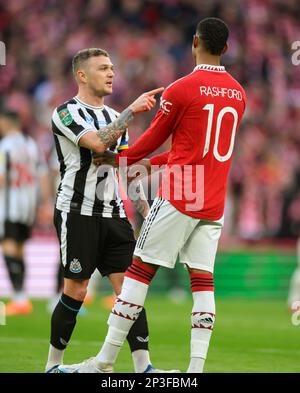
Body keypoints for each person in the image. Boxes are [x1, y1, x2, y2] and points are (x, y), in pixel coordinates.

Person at [59, 17, 246, 373]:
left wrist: (121, 159)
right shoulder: (239, 94)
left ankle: (103, 361)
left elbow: (152, 140)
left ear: (195, 42)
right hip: (214, 200)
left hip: (181, 194)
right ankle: (195, 371)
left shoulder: (182, 88)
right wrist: (137, 165)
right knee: (203, 281)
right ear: (226, 48)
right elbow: (190, 151)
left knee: (138, 272)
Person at [45, 47, 176, 374]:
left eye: (112, 67)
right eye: (103, 68)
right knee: (76, 289)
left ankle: (144, 368)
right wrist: (132, 109)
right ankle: (53, 366)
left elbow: (127, 169)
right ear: (82, 75)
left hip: (114, 215)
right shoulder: (65, 113)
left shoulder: (116, 117)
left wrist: (144, 210)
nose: (111, 73)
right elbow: (99, 144)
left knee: (130, 290)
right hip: (77, 211)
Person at [0, 109, 51, 316]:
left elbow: (2, 178)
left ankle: (20, 298)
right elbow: (43, 175)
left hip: (9, 206)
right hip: (28, 207)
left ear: (5, 122)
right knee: (19, 248)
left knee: (10, 248)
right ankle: (21, 298)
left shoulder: (4, 147)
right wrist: (45, 202)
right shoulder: (31, 145)